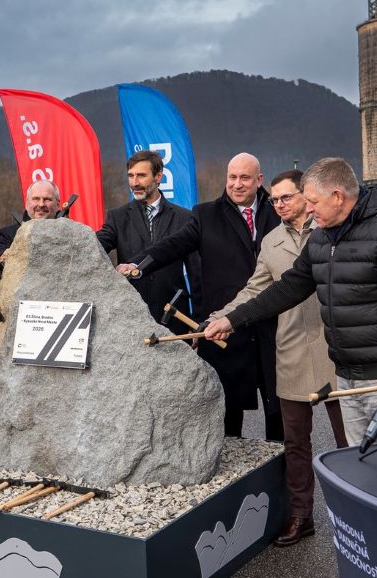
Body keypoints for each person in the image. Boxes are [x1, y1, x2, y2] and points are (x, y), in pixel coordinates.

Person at [204, 156, 377, 578]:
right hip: (347, 377)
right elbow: (287, 288)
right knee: (364, 476)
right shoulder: (323, 237)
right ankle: (368, 570)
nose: (306, 210)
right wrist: (233, 319)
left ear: (337, 195)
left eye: (311, 202)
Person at [210, 169, 347, 547]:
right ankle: (301, 515)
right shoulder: (271, 241)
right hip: (290, 350)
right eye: (274, 199)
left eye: (286, 197)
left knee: (348, 441)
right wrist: (220, 317)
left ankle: (356, 518)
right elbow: (254, 291)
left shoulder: (332, 231)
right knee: (295, 443)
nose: (279, 204)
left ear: (306, 195)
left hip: (335, 350)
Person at [120, 153, 283, 442]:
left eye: (245, 178)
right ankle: (230, 469)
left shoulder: (278, 212)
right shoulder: (206, 215)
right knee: (228, 417)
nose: (237, 184)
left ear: (259, 180)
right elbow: (171, 245)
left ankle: (284, 467)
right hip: (224, 328)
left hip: (275, 327)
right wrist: (138, 265)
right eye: (232, 177)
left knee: (279, 411)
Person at [96, 149, 201, 319]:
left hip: (174, 316)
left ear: (158, 177)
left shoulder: (185, 217)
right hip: (130, 317)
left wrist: (199, 320)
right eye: (131, 176)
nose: (134, 183)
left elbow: (197, 275)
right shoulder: (117, 217)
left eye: (141, 176)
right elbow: (96, 246)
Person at [0, 178, 61, 256]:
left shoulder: (70, 232)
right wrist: (3, 257)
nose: (41, 204)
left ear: (58, 204)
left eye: (47, 199)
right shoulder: (7, 234)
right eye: (36, 199)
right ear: (27, 203)